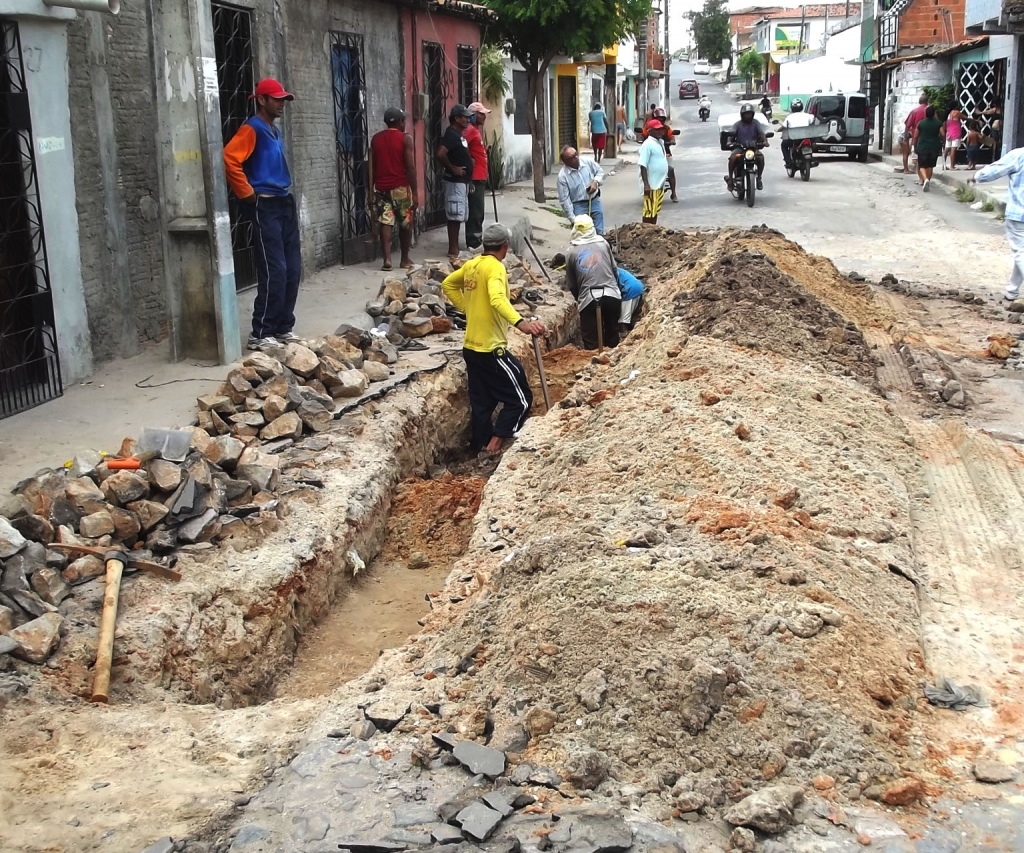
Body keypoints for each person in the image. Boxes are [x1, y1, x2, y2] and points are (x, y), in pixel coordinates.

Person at [441, 223, 546, 453]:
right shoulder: (495, 268)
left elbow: (448, 284)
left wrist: (469, 308)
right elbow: (498, 299)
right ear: (505, 246)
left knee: (482, 403)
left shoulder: (472, 265)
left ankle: (481, 446)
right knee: (521, 399)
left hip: (471, 348)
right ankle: (496, 443)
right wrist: (522, 324)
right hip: (491, 349)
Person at [223, 77, 302, 351]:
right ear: (262, 100)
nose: (281, 104)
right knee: (275, 269)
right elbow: (230, 158)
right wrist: (246, 194)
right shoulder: (252, 128)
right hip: (265, 204)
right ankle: (261, 331)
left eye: (283, 99)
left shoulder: (273, 129)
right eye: (277, 99)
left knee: (293, 268)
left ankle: (283, 327)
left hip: (283, 202)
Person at [968, 147, 1024, 305]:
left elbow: (995, 170)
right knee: (1021, 252)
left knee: (1021, 252)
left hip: (1019, 213)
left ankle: (1012, 290)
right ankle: (1012, 291)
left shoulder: (1019, 155)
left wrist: (976, 177)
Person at [369, 107, 417, 272]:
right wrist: (415, 192)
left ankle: (387, 259)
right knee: (406, 223)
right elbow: (410, 167)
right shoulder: (405, 139)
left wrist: (371, 190)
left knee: (385, 221)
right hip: (400, 187)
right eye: (403, 120)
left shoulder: (376, 139)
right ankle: (404, 259)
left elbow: (372, 167)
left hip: (381, 187)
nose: (405, 122)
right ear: (400, 122)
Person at [563, 214, 621, 350]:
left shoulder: (571, 252)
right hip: (611, 295)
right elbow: (614, 271)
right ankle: (614, 359)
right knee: (612, 333)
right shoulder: (603, 244)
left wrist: (581, 299)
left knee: (591, 340)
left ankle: (593, 363)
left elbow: (572, 284)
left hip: (588, 298)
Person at [435, 103, 475, 262]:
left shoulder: (459, 135)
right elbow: (440, 153)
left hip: (462, 181)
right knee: (454, 214)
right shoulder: (451, 134)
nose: (467, 119)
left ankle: (455, 248)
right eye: (464, 117)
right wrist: (453, 169)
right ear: (457, 118)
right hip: (455, 181)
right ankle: (453, 250)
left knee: (459, 215)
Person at [556, 146, 605, 234]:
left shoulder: (587, 161)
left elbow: (600, 171)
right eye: (572, 157)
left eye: (576, 154)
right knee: (583, 234)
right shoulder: (562, 176)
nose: (576, 157)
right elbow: (565, 200)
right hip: (578, 206)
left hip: (594, 200)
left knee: (599, 231)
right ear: (566, 161)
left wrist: (595, 182)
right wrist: (573, 220)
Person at [464, 102, 491, 250]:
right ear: (473, 115)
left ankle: (476, 239)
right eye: (481, 114)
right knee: (476, 210)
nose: (484, 117)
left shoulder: (474, 130)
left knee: (478, 210)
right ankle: (473, 242)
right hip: (474, 176)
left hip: (479, 175)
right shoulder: (470, 130)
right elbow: (460, 146)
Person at [726, 102, 766, 191]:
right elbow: (731, 135)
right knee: (733, 158)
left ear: (753, 114)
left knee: (761, 157)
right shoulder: (737, 124)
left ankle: (759, 178)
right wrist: (729, 142)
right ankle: (730, 179)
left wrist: (765, 141)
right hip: (740, 148)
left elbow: (761, 133)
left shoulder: (756, 123)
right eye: (746, 114)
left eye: (750, 114)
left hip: (753, 148)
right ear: (742, 115)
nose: (748, 116)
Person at [639, 120, 670, 224]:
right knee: (648, 211)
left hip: (659, 184)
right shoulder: (647, 144)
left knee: (654, 210)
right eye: (657, 130)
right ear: (650, 131)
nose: (660, 131)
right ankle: (646, 231)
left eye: (661, 129)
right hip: (651, 185)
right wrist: (646, 185)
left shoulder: (660, 142)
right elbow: (643, 165)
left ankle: (653, 230)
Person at [913, 105, 943, 192]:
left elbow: (915, 136)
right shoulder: (938, 123)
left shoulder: (921, 123)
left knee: (922, 166)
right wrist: (942, 141)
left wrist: (914, 146)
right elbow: (943, 134)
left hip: (923, 147)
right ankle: (928, 181)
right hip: (934, 147)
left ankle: (925, 179)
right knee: (930, 166)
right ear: (934, 113)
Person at [780, 97, 815, 169]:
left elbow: (783, 127)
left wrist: (778, 130)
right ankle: (811, 159)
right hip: (806, 137)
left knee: (784, 145)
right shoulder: (808, 115)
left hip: (794, 138)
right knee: (813, 143)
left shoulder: (789, 117)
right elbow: (813, 120)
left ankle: (788, 162)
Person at [653, 108, 679, 202]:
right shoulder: (650, 128)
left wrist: (671, 142)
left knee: (671, 170)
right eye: (658, 118)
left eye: (662, 119)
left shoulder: (667, 129)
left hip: (666, 154)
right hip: (653, 155)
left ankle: (674, 193)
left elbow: (672, 137)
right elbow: (642, 135)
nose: (660, 120)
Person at [899, 94, 929, 175]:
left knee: (914, 156)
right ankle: (922, 175)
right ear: (927, 101)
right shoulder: (930, 111)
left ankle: (919, 175)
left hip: (916, 137)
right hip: (927, 137)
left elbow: (907, 125)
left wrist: (906, 137)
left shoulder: (914, 111)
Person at [616, 266, 645, 335]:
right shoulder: (617, 269)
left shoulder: (610, 272)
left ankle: (624, 335)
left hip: (630, 290)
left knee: (623, 320)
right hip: (637, 287)